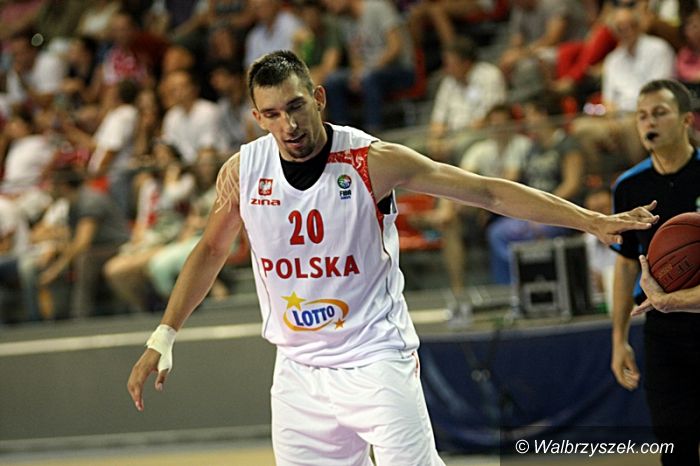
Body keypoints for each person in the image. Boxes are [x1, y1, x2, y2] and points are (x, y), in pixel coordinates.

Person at [127, 50, 657, 465]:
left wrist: (591, 221)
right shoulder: (244, 171)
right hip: (298, 371)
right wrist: (164, 335)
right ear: (257, 118)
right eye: (272, 114)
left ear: (318, 97)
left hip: (374, 356)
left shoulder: (371, 160)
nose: (288, 124)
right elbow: (211, 249)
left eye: (295, 106)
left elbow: (487, 192)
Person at [609, 78, 700, 466]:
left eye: (660, 113)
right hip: (663, 331)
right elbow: (626, 263)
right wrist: (619, 339)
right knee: (674, 446)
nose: (649, 122)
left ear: (686, 120)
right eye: (642, 115)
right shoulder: (629, 186)